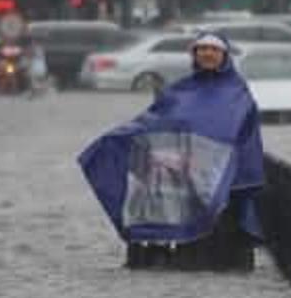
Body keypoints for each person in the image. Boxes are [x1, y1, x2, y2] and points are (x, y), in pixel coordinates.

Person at [78, 32, 266, 271]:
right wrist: (120, 137)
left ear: (224, 56)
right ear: (194, 54)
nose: (207, 54)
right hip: (179, 181)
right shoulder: (179, 91)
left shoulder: (238, 93)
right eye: (202, 49)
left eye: (213, 50)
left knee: (217, 240)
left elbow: (241, 134)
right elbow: (154, 121)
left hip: (220, 183)